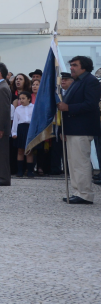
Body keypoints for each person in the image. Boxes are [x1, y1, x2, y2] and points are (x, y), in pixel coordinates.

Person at [57, 56, 101, 204]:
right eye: (71, 65)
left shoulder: (91, 81)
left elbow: (90, 104)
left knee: (81, 162)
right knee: (73, 163)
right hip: (72, 128)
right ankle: (78, 191)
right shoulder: (77, 82)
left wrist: (69, 108)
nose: (71, 68)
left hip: (82, 128)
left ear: (84, 67)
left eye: (75, 65)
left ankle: (85, 194)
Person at [12, 91, 34, 178]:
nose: (21, 100)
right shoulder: (18, 109)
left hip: (30, 129)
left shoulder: (34, 107)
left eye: (23, 98)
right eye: (20, 99)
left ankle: (30, 171)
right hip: (20, 129)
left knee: (29, 151)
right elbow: (15, 122)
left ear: (29, 99)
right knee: (20, 150)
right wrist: (14, 132)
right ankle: (20, 171)